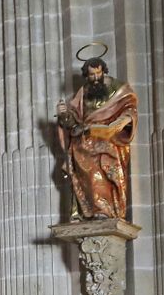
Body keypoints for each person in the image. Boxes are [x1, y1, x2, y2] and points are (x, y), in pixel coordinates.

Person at [55, 56, 138, 221]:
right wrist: (64, 114)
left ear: (103, 71)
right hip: (84, 138)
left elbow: (130, 109)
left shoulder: (118, 88)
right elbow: (73, 118)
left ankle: (105, 209)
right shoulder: (84, 92)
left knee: (102, 164)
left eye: (97, 74)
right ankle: (86, 210)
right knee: (82, 161)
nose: (94, 78)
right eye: (91, 75)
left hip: (108, 137)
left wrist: (122, 121)